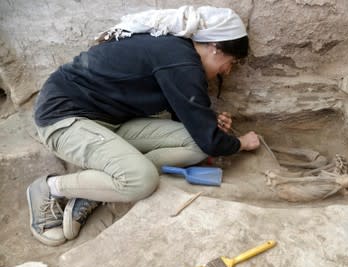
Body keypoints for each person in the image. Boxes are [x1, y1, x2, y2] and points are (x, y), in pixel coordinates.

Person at [27, 5, 260, 246]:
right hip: (64, 120)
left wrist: (208, 122)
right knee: (142, 181)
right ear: (214, 47)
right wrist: (240, 143)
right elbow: (210, 138)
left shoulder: (177, 54)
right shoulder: (180, 61)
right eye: (231, 62)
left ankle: (97, 186)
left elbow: (196, 128)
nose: (228, 71)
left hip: (111, 122)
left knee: (198, 145)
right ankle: (49, 188)